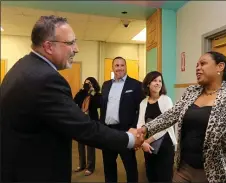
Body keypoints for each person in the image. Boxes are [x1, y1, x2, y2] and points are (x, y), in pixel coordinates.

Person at [0, 15, 144, 182]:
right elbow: (83, 128)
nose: (76, 49)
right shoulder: (46, 79)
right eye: (70, 43)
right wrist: (130, 138)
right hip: (36, 172)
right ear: (49, 46)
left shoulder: (22, 66)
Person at [138, 51, 226, 183]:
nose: (197, 68)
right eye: (196, 65)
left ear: (220, 67)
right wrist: (145, 129)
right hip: (184, 168)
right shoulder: (191, 92)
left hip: (214, 172)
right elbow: (170, 115)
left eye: (203, 63)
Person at [100, 56, 144, 183]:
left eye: (122, 65)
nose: (119, 68)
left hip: (126, 132)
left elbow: (141, 109)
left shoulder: (135, 85)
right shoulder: (106, 85)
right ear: (113, 68)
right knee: (108, 166)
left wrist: (135, 128)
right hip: (107, 131)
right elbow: (104, 107)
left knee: (130, 166)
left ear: (126, 67)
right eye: (117, 65)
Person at [137, 71, 177, 183]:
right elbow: (140, 124)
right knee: (151, 175)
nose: (158, 83)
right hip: (147, 146)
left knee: (164, 177)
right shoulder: (143, 103)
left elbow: (165, 125)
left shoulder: (166, 100)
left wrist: (147, 141)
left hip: (165, 144)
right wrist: (143, 142)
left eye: (160, 81)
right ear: (148, 84)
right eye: (155, 80)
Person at [74, 77, 102, 176]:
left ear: (94, 84)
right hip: (80, 121)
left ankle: (90, 167)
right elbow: (74, 102)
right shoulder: (81, 93)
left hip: (91, 121)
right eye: (86, 83)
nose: (87, 85)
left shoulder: (97, 95)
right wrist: (84, 92)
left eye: (89, 83)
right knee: (80, 144)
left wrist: (92, 93)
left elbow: (99, 104)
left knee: (90, 145)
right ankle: (81, 164)